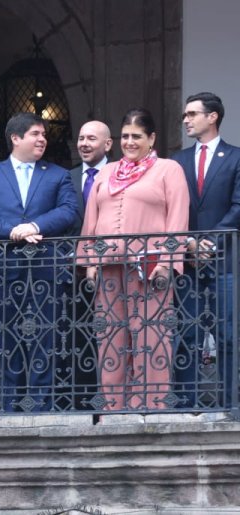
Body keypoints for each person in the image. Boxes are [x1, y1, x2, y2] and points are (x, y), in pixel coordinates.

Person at [0, 112, 79, 413]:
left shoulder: (57, 174)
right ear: (16, 138)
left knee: (46, 333)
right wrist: (11, 231)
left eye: (43, 134)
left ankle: (41, 405)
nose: (42, 138)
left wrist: (34, 226)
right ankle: (9, 405)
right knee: (5, 335)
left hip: (45, 267)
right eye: (35, 133)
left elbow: (69, 211)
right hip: (2, 268)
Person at [82, 108, 189, 411]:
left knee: (150, 336)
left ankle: (150, 408)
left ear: (151, 138)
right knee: (110, 338)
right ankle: (112, 410)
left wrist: (168, 262)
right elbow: (91, 219)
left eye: (136, 136)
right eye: (125, 136)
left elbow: (178, 220)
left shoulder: (169, 169)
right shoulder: (106, 171)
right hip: (108, 267)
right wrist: (89, 262)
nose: (129, 142)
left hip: (150, 266)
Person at [173, 92, 240, 408]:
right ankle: (187, 406)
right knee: (186, 337)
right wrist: (188, 243)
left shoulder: (237, 158)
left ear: (212, 117)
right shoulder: (176, 161)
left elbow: (238, 207)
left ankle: (228, 406)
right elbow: (171, 208)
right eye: (185, 114)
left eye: (192, 114)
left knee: (227, 337)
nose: (186, 119)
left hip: (224, 262)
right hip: (186, 263)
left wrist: (209, 243)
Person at [68, 120, 113, 408]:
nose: (84, 143)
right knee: (76, 334)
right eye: (81, 137)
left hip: (111, 269)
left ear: (108, 144)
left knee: (113, 332)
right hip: (72, 272)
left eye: (92, 138)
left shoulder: (121, 173)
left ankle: (113, 398)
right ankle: (81, 398)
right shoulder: (65, 177)